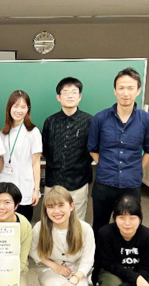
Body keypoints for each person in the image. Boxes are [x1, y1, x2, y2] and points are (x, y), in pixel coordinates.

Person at [88, 68, 149, 235]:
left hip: (131, 183)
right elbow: (92, 148)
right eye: (121, 88)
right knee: (100, 226)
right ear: (115, 91)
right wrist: (104, 164)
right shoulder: (100, 118)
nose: (125, 93)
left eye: (130, 88)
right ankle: (100, 253)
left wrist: (137, 168)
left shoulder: (147, 120)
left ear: (138, 90)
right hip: (104, 182)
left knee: (128, 226)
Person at [30, 186, 95, 286]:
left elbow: (88, 259)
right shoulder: (40, 227)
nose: (56, 211)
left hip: (76, 270)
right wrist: (55, 266)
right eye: (51, 207)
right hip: (49, 268)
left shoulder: (85, 229)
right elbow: (33, 251)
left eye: (61, 205)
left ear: (71, 206)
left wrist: (73, 280)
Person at [42, 77, 93, 221]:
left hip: (79, 181)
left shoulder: (89, 121)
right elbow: (46, 149)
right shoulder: (50, 122)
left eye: (74, 92)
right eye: (65, 92)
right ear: (58, 97)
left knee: (77, 220)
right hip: (53, 181)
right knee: (51, 219)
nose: (70, 96)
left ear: (79, 96)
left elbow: (92, 151)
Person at [0, 90, 42, 221]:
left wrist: (36, 189)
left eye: (23, 107)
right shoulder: (3, 132)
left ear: (28, 109)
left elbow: (36, 163)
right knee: (5, 225)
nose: (19, 110)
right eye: (15, 106)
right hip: (5, 187)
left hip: (25, 188)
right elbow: (2, 161)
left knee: (22, 225)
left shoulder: (33, 132)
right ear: (9, 108)